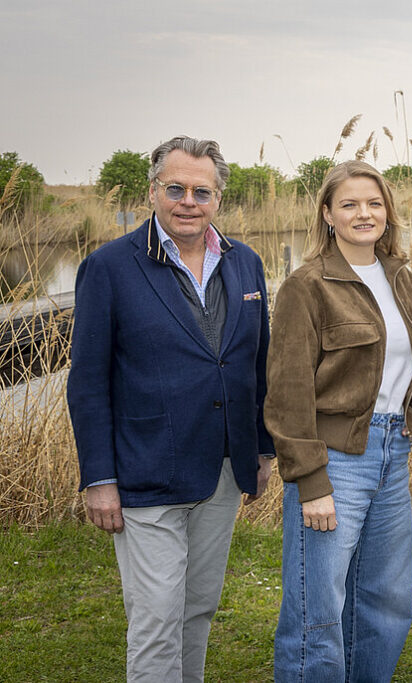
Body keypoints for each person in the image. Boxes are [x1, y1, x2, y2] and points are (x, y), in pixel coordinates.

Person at [66, 135, 275, 682]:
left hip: (222, 468)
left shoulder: (245, 263)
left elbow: (258, 364)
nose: (188, 202)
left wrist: (261, 449)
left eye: (201, 192)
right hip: (145, 471)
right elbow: (87, 383)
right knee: (156, 618)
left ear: (219, 198)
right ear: (152, 191)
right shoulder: (109, 267)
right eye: (175, 188)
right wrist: (99, 479)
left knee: (198, 607)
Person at [265, 160, 412, 681]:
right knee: (317, 610)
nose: (364, 213)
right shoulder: (307, 285)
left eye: (374, 203)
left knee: (386, 603)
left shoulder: (402, 279)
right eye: (350, 204)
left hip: (392, 456)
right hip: (335, 461)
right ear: (328, 214)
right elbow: (287, 392)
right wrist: (311, 480)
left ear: (388, 213)